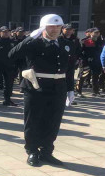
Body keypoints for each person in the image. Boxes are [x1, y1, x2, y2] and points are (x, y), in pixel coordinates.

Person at [8, 14, 75, 167]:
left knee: (53, 121)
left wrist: (70, 89)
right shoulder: (34, 43)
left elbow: (69, 69)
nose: (56, 29)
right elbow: (12, 55)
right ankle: (32, 151)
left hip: (58, 87)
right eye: (52, 26)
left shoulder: (67, 44)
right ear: (43, 27)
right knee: (33, 121)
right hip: (36, 87)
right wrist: (29, 38)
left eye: (58, 26)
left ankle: (46, 151)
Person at [76, 28, 104, 97]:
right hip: (86, 62)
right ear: (91, 33)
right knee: (82, 77)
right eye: (95, 32)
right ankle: (78, 92)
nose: (97, 34)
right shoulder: (85, 41)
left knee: (95, 77)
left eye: (98, 32)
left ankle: (96, 92)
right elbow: (79, 52)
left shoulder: (101, 42)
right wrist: (85, 58)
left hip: (97, 62)